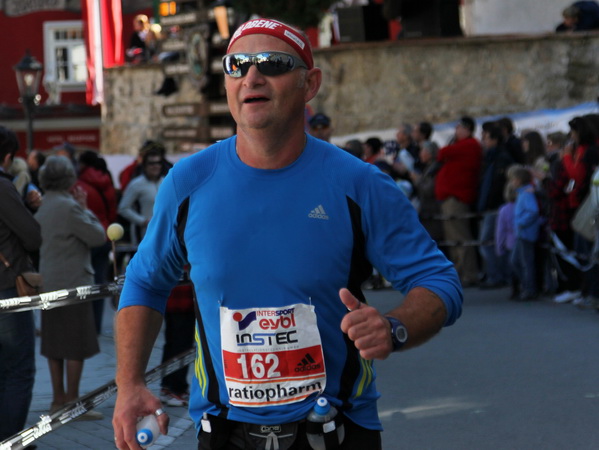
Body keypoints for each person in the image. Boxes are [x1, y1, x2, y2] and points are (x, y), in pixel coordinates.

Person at [112, 18, 463, 450]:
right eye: (237, 65)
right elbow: (145, 282)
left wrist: (395, 329)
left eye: (272, 63)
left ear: (309, 83)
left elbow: (439, 281)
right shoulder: (188, 183)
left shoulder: (358, 184)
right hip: (225, 435)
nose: (252, 76)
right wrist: (129, 384)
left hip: (337, 432)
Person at [35, 155, 106, 419]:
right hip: (74, 283)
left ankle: (57, 400)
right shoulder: (70, 207)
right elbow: (97, 236)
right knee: (76, 343)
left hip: (48, 282)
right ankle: (73, 402)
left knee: (53, 343)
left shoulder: (43, 205)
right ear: (69, 178)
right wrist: (85, 208)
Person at [0, 126, 42, 442]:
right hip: (6, 286)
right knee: (18, 368)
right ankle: (11, 439)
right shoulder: (3, 187)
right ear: (7, 156)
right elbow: (32, 236)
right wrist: (29, 209)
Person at [434, 116, 483, 287]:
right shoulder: (464, 145)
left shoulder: (470, 145)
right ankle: (460, 272)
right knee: (453, 239)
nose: (456, 131)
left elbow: (442, 153)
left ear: (467, 129)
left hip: (456, 198)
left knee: (460, 237)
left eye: (459, 128)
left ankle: (469, 273)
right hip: (450, 198)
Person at [476, 122, 513, 289]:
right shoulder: (490, 158)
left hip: (496, 207)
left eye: (486, 138)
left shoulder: (501, 158)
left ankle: (497, 275)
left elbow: (497, 185)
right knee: (490, 242)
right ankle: (496, 274)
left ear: (495, 139)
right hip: (490, 206)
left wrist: (491, 202)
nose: (483, 141)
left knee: (488, 242)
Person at [117, 148, 165, 245]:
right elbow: (123, 208)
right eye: (151, 163)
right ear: (144, 166)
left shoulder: (165, 182)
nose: (155, 166)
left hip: (164, 233)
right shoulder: (136, 184)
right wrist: (143, 221)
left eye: (158, 163)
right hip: (143, 235)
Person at [509, 166, 541, 301]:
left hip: (526, 233)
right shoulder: (522, 193)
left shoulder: (526, 194)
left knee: (525, 262)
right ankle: (527, 287)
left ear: (518, 180)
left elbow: (533, 211)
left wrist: (521, 222)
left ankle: (530, 289)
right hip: (522, 233)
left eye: (513, 179)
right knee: (516, 261)